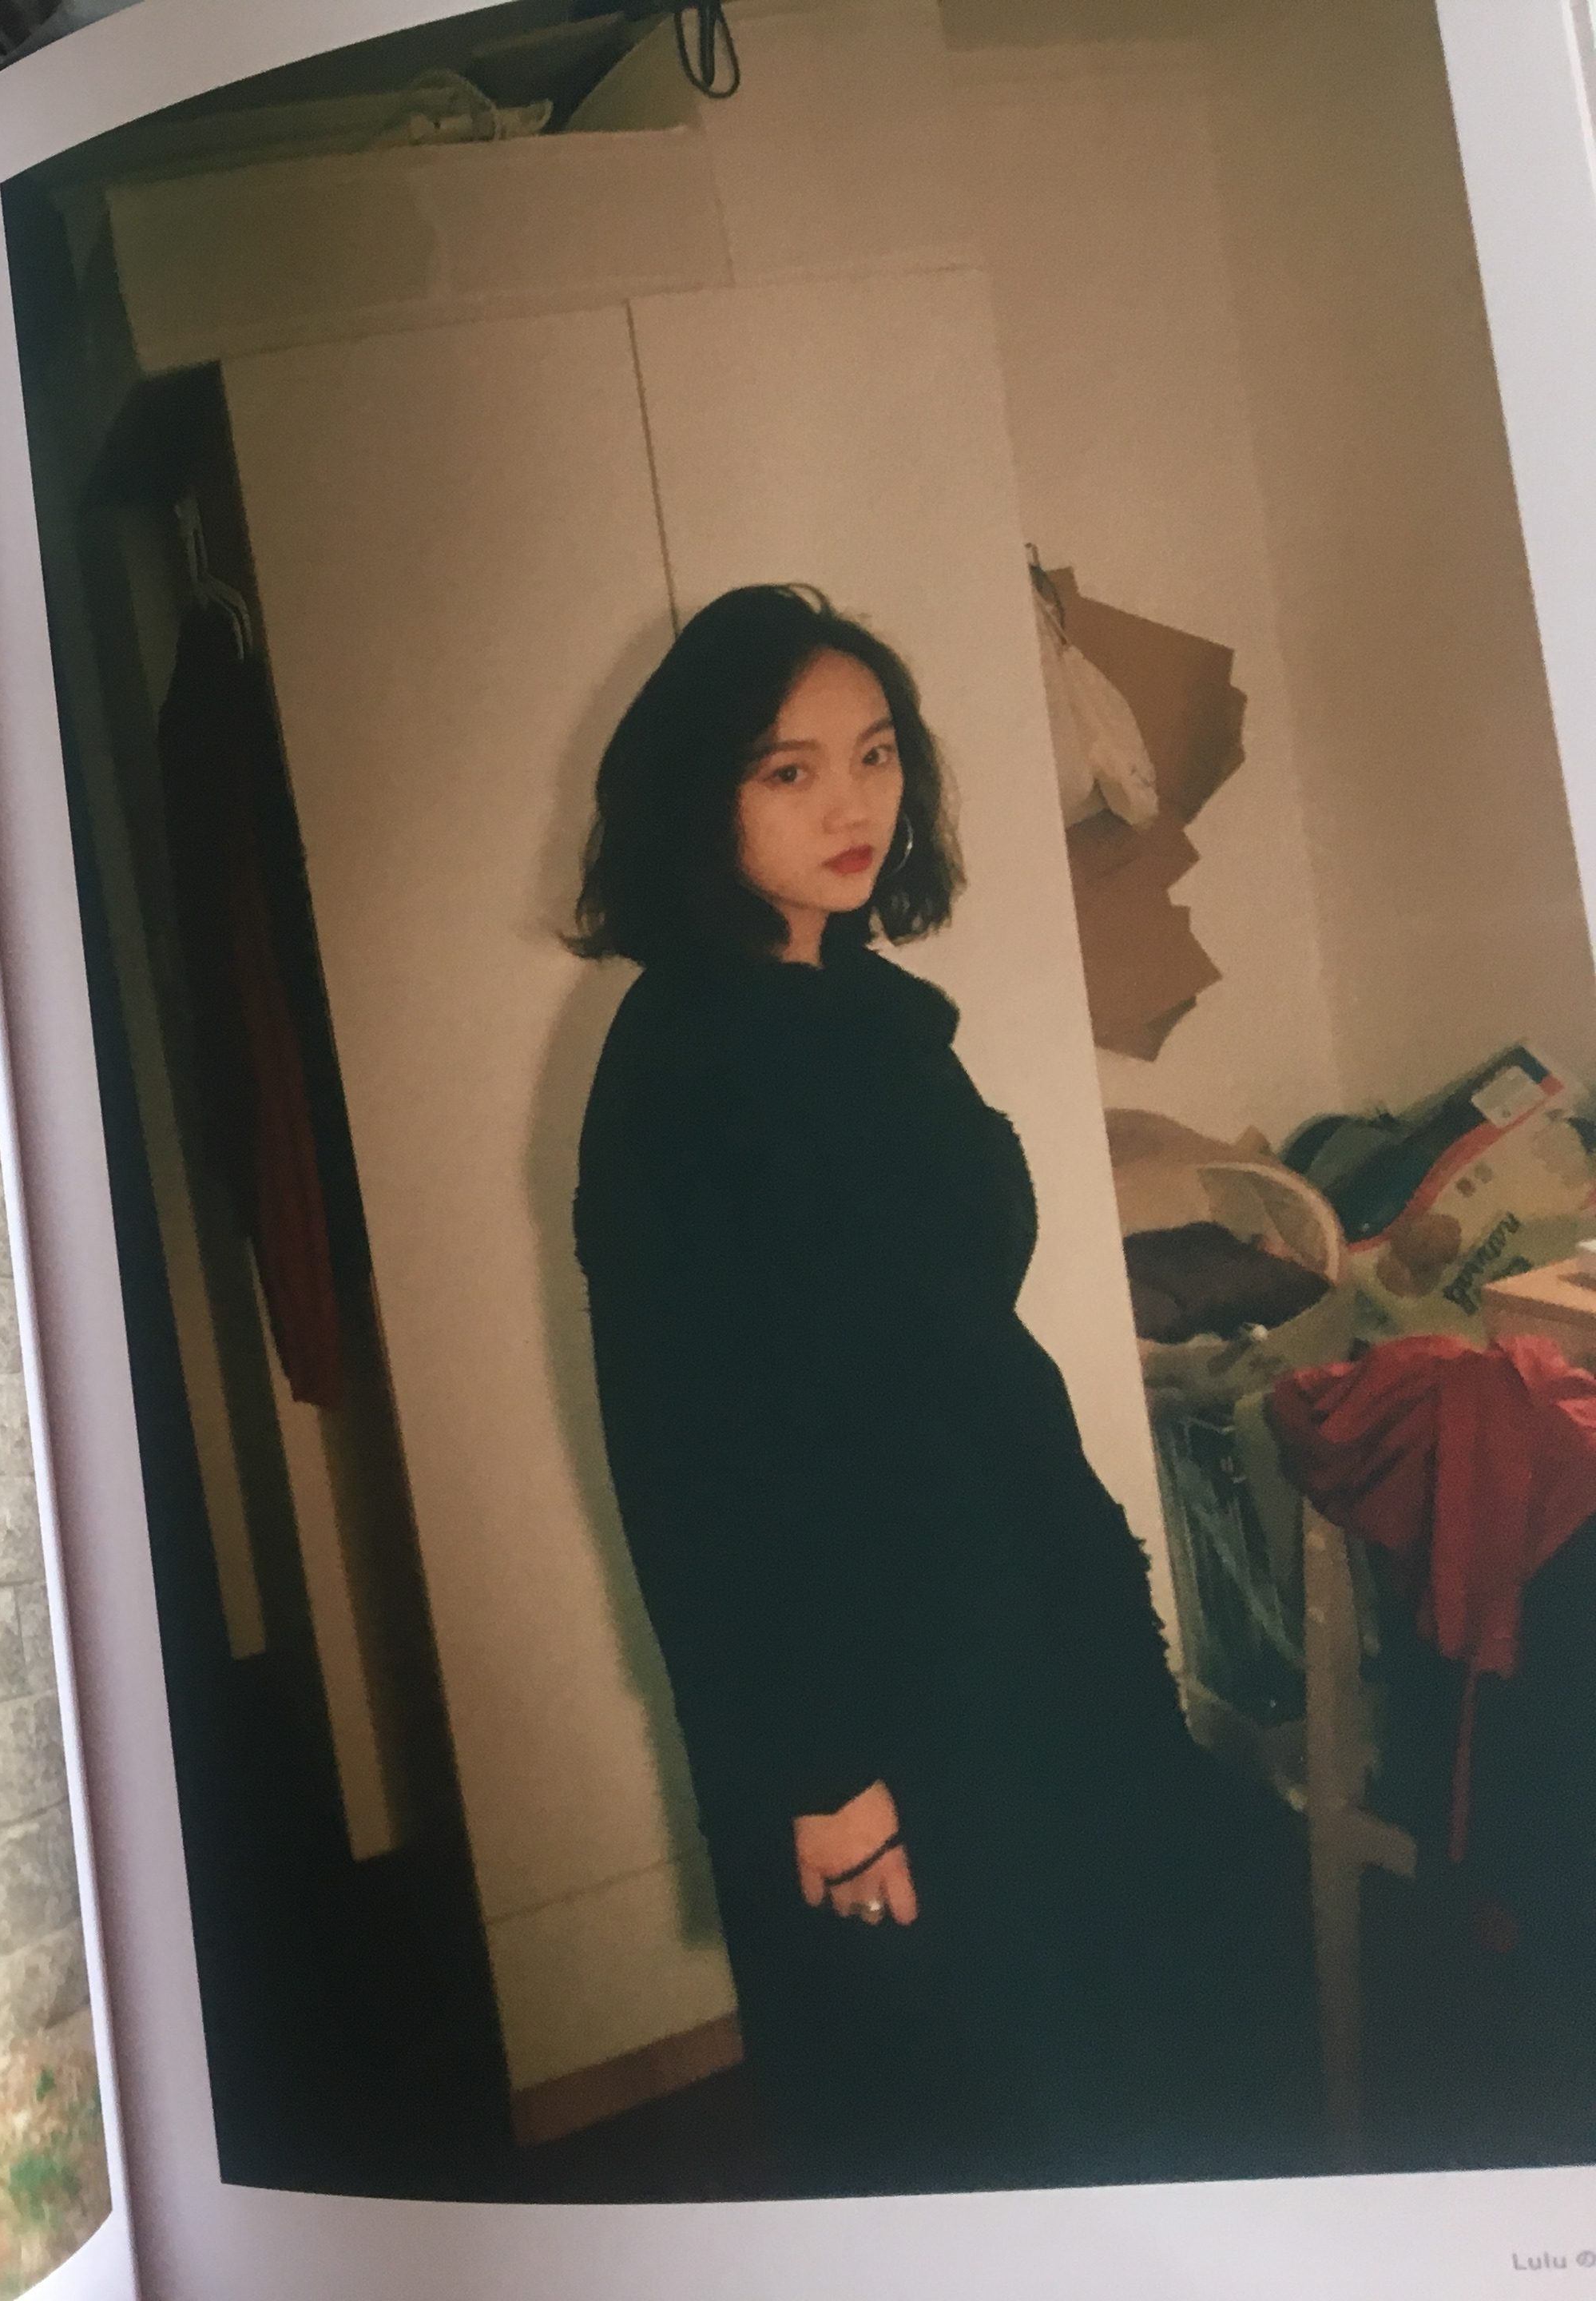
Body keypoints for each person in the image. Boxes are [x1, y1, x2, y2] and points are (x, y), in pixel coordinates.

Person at [569, 584, 1302, 2192]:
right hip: (882, 1679)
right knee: (978, 2119)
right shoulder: (680, 1061)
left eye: (877, 752)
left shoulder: (867, 1010)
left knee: (1137, 2056)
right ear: (701, 794)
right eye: (790, 770)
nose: (854, 803)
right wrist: (819, 1776)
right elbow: (690, 1469)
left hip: (1030, 1613)